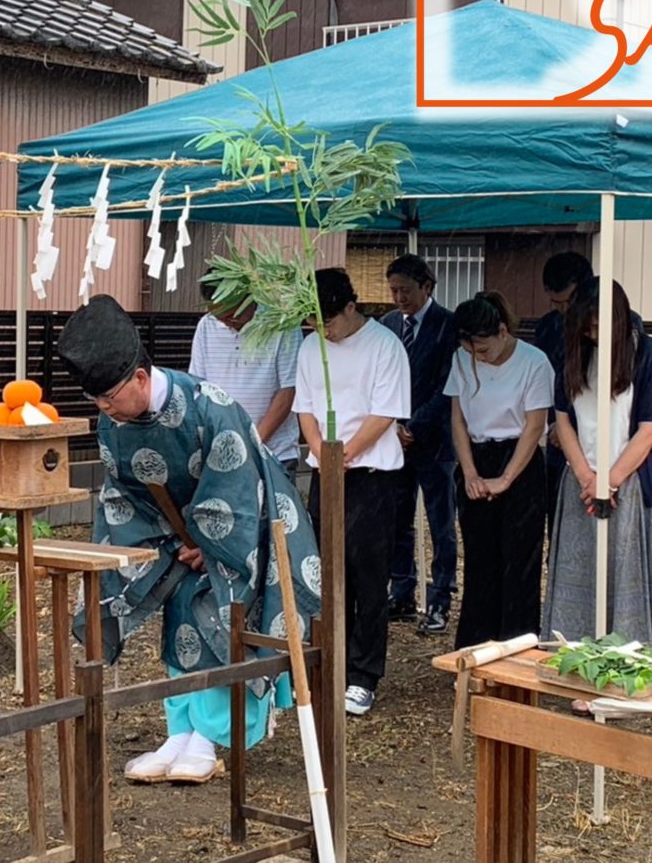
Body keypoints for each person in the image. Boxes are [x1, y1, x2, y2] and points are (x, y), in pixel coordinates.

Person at [58, 296, 323, 784]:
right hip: (173, 537)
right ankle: (180, 729)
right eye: (97, 401)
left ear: (140, 377)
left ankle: (212, 734)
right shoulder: (112, 422)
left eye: (110, 397)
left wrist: (207, 541)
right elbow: (122, 495)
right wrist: (164, 544)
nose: (105, 409)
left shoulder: (211, 408)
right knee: (180, 611)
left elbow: (239, 489)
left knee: (220, 610)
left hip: (249, 528)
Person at [543, 278, 652, 659]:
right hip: (581, 479)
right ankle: (576, 654)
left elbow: (649, 429)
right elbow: (563, 419)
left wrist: (612, 479)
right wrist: (587, 478)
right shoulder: (573, 354)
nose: (594, 335)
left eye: (600, 327)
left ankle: (629, 657)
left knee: (625, 570)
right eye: (586, 328)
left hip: (630, 481)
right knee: (582, 568)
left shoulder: (648, 356)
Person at [293, 268, 410, 717]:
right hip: (327, 468)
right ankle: (332, 660)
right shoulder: (310, 347)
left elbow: (387, 413)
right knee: (327, 571)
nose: (325, 331)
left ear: (350, 306)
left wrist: (345, 452)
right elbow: (305, 407)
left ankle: (364, 674)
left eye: (331, 321)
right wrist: (321, 450)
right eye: (316, 324)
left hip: (371, 474)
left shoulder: (385, 346)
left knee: (367, 575)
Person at [445, 291, 553, 648]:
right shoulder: (462, 360)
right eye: (472, 351)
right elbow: (457, 419)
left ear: (503, 332)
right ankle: (476, 644)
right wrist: (471, 473)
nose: (479, 357)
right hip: (476, 455)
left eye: (484, 350)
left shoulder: (534, 362)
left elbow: (535, 425)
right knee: (479, 560)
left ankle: (517, 645)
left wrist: (506, 478)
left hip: (519, 460)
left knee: (520, 561)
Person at [377, 254, 459, 636]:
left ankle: (441, 596)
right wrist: (393, 424)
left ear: (427, 286)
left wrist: (417, 423)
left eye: (406, 290)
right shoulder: (387, 325)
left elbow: (449, 385)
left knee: (441, 521)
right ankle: (402, 591)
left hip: (437, 439)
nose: (399, 298)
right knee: (397, 518)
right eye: (393, 291)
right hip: (394, 437)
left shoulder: (448, 325)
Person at [189, 275, 303, 477]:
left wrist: (252, 443)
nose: (229, 323)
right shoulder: (206, 326)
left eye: (234, 316)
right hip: (221, 452)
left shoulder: (282, 325)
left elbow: (289, 390)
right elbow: (199, 388)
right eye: (222, 319)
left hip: (274, 452)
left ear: (249, 298)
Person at [531, 251, 595, 550]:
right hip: (556, 441)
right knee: (557, 525)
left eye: (567, 302)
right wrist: (554, 422)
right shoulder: (547, 326)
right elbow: (542, 381)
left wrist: (573, 424)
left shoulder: (618, 324)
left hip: (601, 441)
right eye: (555, 303)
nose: (562, 309)